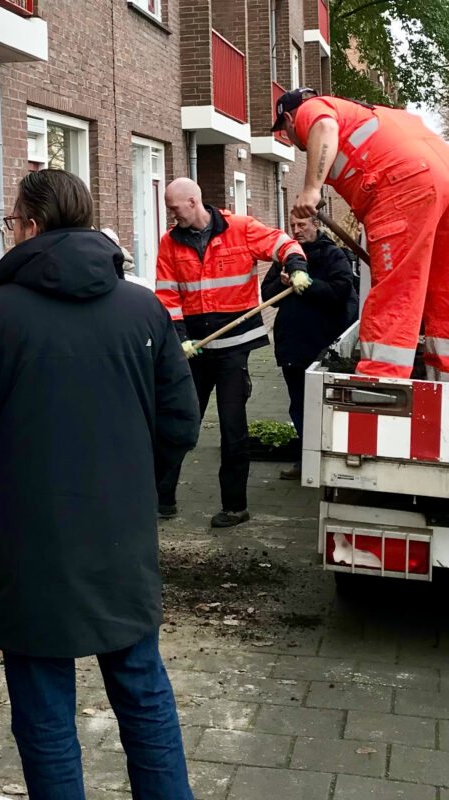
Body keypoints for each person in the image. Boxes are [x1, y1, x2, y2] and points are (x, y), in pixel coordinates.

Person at [0, 169, 200, 800]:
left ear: (29, 227)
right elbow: (181, 424)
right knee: (142, 690)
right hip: (120, 538)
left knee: (44, 711)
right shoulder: (143, 308)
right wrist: (137, 486)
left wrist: (1, 499)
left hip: (27, 546)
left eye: (10, 224)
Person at [154, 177, 310, 527]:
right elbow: (167, 294)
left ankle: (235, 506)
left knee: (232, 428)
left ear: (193, 201)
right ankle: (162, 499)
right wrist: (179, 337)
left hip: (232, 352)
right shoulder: (170, 243)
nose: (171, 214)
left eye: (174, 207)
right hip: (194, 350)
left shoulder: (240, 228)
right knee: (178, 421)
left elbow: (283, 243)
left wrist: (296, 268)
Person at [276, 87, 449, 380]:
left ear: (290, 119)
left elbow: (324, 126)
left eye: (284, 132)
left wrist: (311, 188)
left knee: (396, 289)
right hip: (441, 177)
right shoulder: (376, 114)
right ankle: (443, 379)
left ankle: (381, 383)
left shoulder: (313, 110)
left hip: (402, 186)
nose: (290, 140)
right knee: (441, 288)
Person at [261, 213, 358, 480]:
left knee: (327, 405)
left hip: (324, 345)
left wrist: (305, 284)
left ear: (316, 225)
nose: (297, 230)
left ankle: (334, 459)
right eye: (293, 226)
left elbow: (340, 292)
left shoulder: (332, 255)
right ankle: (305, 460)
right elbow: (268, 295)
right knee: (299, 405)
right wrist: (282, 283)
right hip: (292, 346)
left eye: (302, 225)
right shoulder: (285, 256)